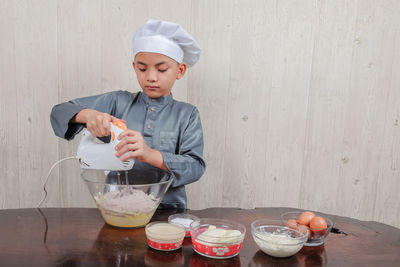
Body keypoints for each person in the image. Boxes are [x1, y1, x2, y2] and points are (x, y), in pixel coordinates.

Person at [50, 19, 206, 209]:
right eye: (142, 68)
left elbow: (196, 167)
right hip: (117, 206)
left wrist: (149, 154)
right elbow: (59, 111)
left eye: (161, 69)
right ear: (134, 67)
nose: (150, 76)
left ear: (180, 71)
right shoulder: (118, 102)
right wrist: (88, 115)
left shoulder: (187, 114)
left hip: (168, 209)